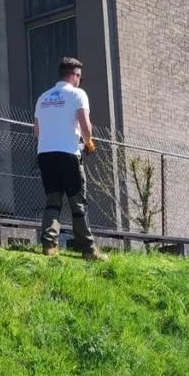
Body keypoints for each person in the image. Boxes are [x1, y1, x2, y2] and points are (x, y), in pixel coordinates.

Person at [33, 56, 108, 260]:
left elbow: (37, 131)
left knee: (53, 200)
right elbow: (85, 125)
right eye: (79, 77)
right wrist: (89, 141)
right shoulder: (78, 94)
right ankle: (88, 249)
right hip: (68, 154)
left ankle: (49, 245)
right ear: (75, 76)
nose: (79, 81)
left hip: (45, 154)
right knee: (78, 202)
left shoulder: (43, 97)